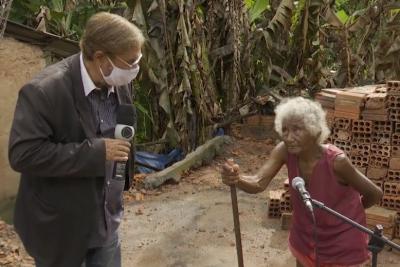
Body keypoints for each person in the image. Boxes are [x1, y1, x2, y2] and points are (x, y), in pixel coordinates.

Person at [8, 12, 144, 267]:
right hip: (61, 228)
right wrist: (96, 152)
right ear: (101, 58)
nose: (135, 69)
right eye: (130, 62)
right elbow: (23, 154)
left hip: (106, 220)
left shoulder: (118, 80)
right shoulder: (45, 91)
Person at [221, 97, 383, 267]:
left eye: (297, 130)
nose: (289, 137)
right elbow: (258, 182)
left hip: (340, 241)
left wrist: (345, 216)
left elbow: (374, 194)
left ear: (315, 131)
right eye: (284, 130)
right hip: (305, 234)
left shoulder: (337, 162)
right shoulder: (284, 151)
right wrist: (236, 178)